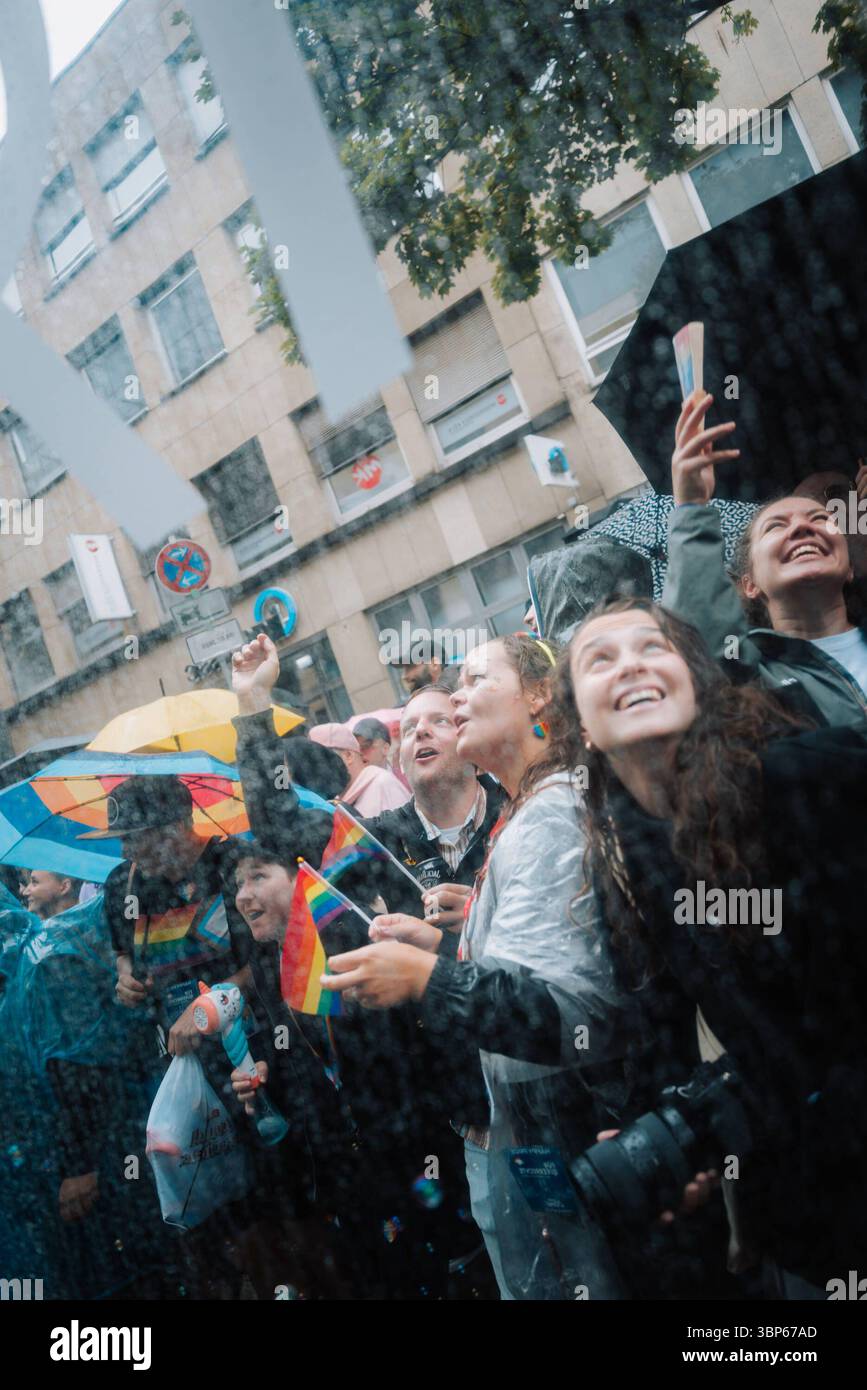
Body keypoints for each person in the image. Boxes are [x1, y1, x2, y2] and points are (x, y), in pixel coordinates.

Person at [560, 595, 867, 1293]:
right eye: (599, 660)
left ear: (696, 677)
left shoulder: (806, 777)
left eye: (652, 647)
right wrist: (683, 1135)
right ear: (579, 723)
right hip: (817, 1223)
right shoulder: (628, 860)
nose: (630, 665)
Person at [321, 635, 637, 1300]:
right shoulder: (529, 807)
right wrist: (437, 950)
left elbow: (565, 1011)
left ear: (538, 696)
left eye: (472, 682)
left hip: (580, 1133)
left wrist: (423, 979)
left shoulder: (549, 812)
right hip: (536, 1134)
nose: (454, 697)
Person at [663, 389, 867, 724]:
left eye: (820, 519)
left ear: (849, 568)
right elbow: (694, 646)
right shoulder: (750, 680)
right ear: (750, 584)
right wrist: (691, 507)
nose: (802, 528)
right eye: (775, 526)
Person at [308, 723, 410, 816]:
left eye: (321, 760)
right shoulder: (335, 802)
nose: (316, 769)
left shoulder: (383, 783)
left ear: (348, 756)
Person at [388, 636, 459, 696]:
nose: (404, 676)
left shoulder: (458, 695)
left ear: (434, 664)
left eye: (410, 666)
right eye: (404, 669)